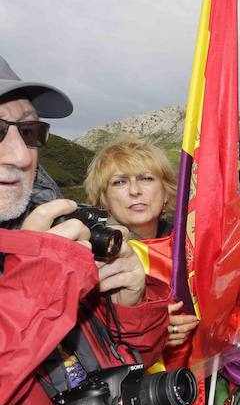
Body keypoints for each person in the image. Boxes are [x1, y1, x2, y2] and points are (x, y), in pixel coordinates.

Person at [0, 55, 184, 405]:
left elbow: (116, 361)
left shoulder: (55, 234)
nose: (21, 155)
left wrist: (131, 309)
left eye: (29, 132)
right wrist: (39, 284)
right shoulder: (48, 255)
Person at [84, 136, 199, 347]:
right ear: (104, 200)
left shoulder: (191, 245)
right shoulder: (91, 255)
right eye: (119, 182)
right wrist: (149, 331)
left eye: (146, 178)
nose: (135, 191)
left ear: (166, 192)